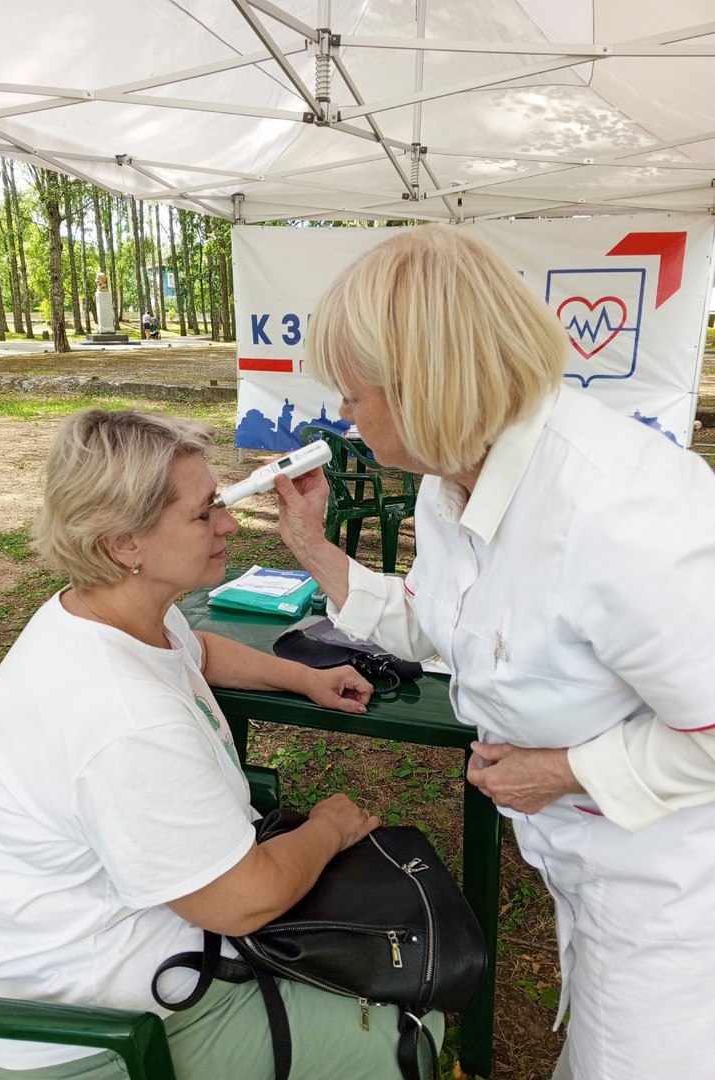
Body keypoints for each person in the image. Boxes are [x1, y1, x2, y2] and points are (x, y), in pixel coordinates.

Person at [273, 225, 715, 1080]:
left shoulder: (621, 514)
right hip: (588, 860)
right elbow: (447, 619)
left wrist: (567, 769)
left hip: (677, 879)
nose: (340, 410)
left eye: (353, 389)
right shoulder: (453, 482)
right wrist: (319, 554)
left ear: (420, 384)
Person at [0, 408, 445, 1080]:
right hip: (102, 1032)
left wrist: (305, 677)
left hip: (137, 959)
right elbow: (241, 899)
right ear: (125, 542)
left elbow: (199, 651)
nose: (230, 524)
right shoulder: (121, 715)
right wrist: (328, 827)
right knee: (415, 1028)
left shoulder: (110, 614)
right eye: (204, 512)